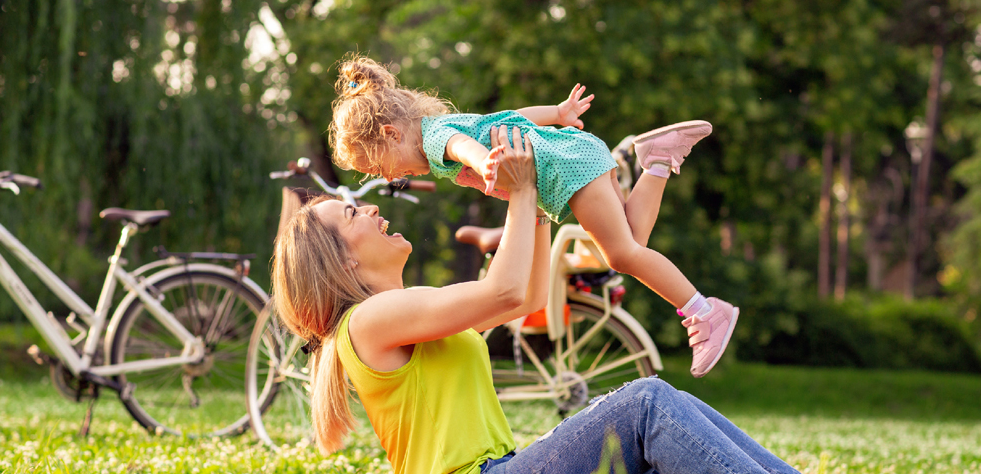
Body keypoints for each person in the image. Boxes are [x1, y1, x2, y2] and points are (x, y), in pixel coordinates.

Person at [271, 126, 800, 473]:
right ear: (340, 262)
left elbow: (519, 299)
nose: (367, 210)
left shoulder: (404, 313)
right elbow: (499, 289)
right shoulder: (367, 321)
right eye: (350, 215)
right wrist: (521, 192)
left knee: (664, 404)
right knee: (645, 404)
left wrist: (541, 198)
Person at [327, 55, 735, 378]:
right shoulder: (439, 124)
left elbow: (460, 146)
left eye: (380, 166)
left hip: (565, 170)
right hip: (578, 152)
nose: (389, 177)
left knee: (622, 255)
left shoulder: (434, 137)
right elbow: (511, 117)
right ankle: (659, 159)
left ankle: (704, 310)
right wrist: (558, 113)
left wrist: (485, 162)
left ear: (391, 135)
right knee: (633, 241)